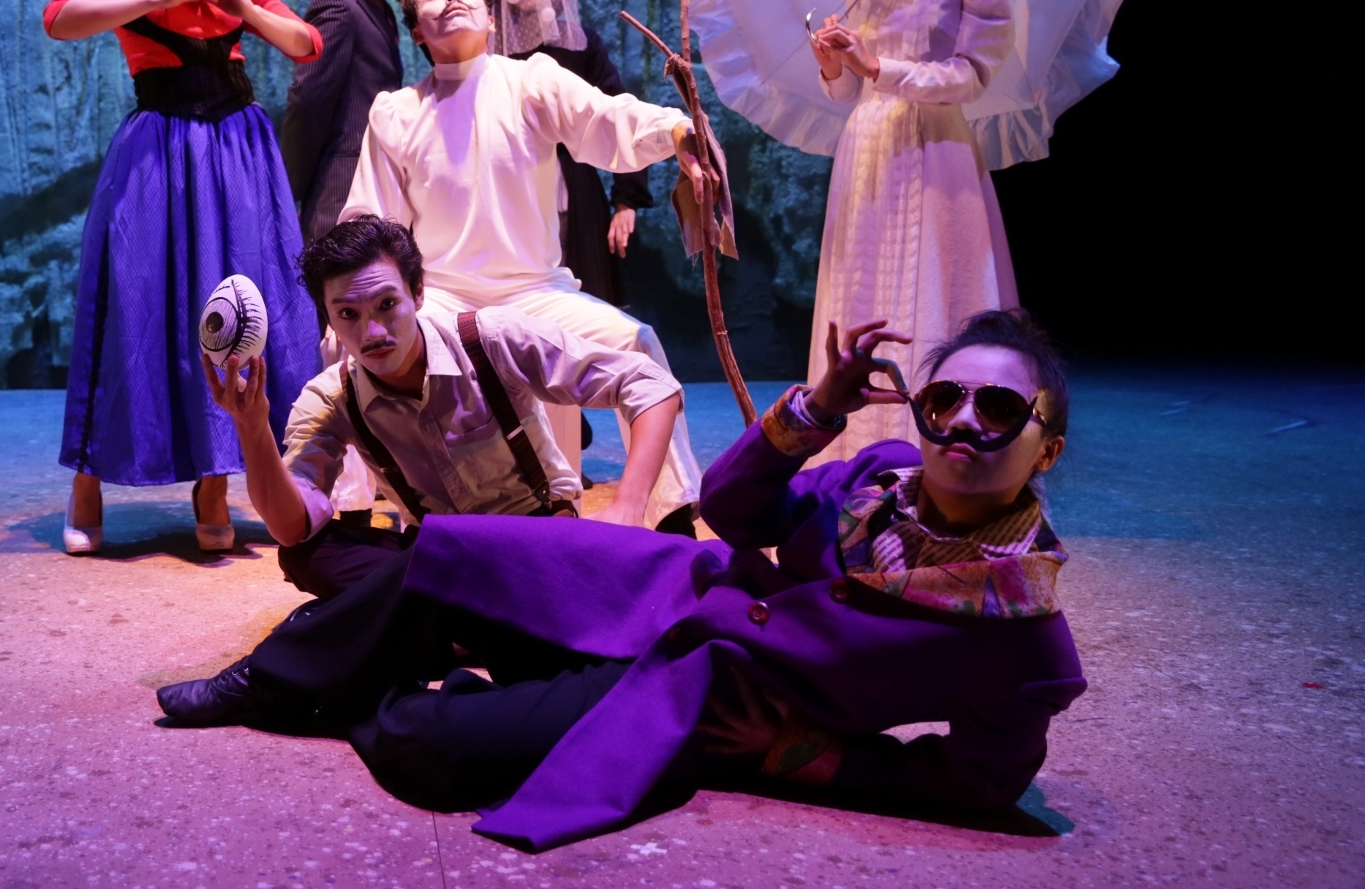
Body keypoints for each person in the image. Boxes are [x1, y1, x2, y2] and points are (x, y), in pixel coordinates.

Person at [157, 308, 1082, 852]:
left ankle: (382, 689)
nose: (964, 421)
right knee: (452, 553)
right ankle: (271, 680)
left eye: (999, 406)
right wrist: (813, 410)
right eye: (944, 397)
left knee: (427, 749)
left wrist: (797, 751)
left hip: (705, 692)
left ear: (1049, 443)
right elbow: (736, 509)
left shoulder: (1025, 634)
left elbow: (979, 784)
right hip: (666, 588)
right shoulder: (879, 475)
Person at [43, 0, 323, 555]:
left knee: (241, 304)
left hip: (237, 151)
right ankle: (88, 480)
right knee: (133, 303)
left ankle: (215, 481)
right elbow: (60, 19)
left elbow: (305, 43)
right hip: (159, 149)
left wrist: (244, 5)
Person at [342, 0, 706, 533]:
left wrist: (678, 130)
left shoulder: (531, 80)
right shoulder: (396, 112)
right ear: (417, 32)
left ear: (491, 19)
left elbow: (607, 117)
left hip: (537, 292)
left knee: (634, 341)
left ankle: (671, 511)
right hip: (442, 301)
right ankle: (358, 515)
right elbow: (373, 221)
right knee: (351, 354)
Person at [201, 216, 685, 598]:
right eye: (348, 314)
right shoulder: (330, 397)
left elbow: (649, 384)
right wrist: (252, 427)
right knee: (307, 555)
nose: (372, 332)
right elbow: (291, 527)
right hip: (442, 557)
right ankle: (480, 621)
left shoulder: (490, 340)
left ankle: (446, 625)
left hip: (537, 542)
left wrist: (628, 505)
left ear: (417, 293)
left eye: (387, 304)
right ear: (328, 318)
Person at [805, 0, 1021, 456]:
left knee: (934, 286)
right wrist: (832, 62)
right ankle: (853, 448)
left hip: (936, 146)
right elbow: (846, 92)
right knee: (861, 283)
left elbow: (970, 75)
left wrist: (877, 65)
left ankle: (940, 442)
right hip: (868, 149)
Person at [238, 0, 494, 245]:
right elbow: (308, 100)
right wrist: (289, 190)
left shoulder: (374, 7)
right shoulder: (340, 4)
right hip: (341, 189)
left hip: (376, 186)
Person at [485, 0, 654, 309]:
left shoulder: (579, 42)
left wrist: (626, 200)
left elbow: (617, 111)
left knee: (584, 298)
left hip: (575, 186)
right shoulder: (485, 50)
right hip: (510, 186)